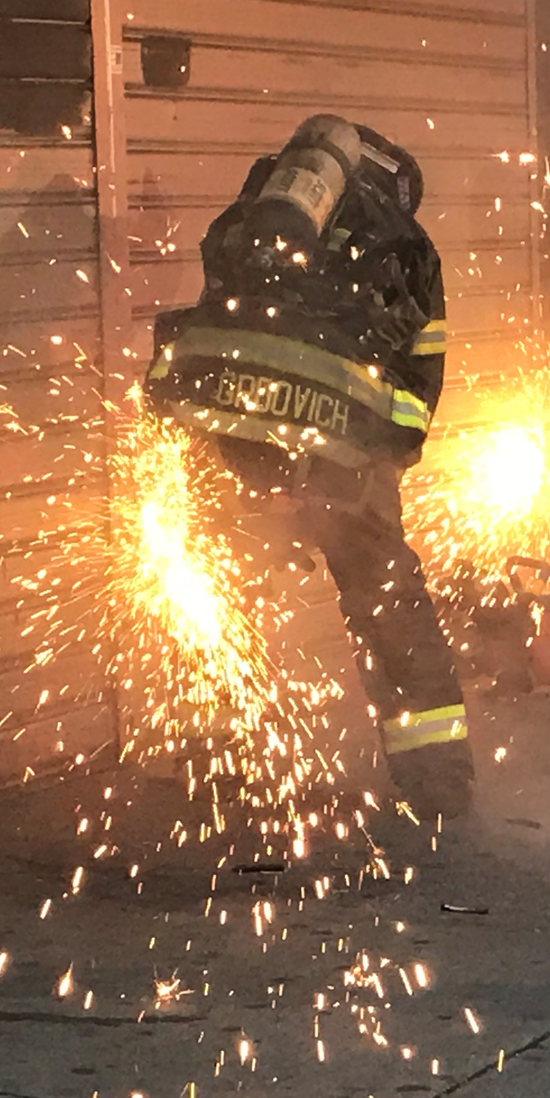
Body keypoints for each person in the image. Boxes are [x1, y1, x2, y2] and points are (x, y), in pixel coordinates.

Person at [144, 115, 474, 820]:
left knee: (221, 585)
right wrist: (380, 461)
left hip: (229, 433)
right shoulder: (406, 242)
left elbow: (219, 308)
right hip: (337, 454)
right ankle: (436, 781)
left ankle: (215, 757)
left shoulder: (249, 213)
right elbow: (417, 390)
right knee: (387, 604)